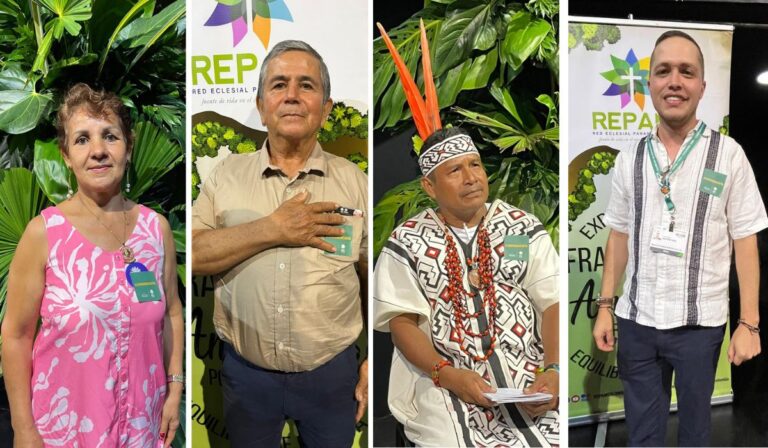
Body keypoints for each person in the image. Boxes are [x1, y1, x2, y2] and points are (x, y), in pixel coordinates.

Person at [373, 21, 559, 447]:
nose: (471, 177)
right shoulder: (408, 241)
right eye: (455, 170)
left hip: (528, 373)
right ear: (429, 186)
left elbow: (549, 301)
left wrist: (553, 371)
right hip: (443, 380)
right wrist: (449, 375)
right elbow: (401, 322)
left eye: (475, 165)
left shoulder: (520, 227)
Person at [191, 40, 368, 447]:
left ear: (325, 107)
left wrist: (372, 360)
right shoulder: (224, 176)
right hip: (246, 375)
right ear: (260, 104)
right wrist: (272, 229)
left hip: (332, 375)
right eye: (279, 85)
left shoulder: (355, 182)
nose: (291, 95)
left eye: (306, 85)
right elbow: (196, 255)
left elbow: (371, 278)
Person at [593, 30, 766, 446]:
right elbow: (617, 234)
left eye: (687, 72)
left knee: (695, 434)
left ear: (702, 86)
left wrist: (750, 323)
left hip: (699, 326)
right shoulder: (630, 158)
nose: (675, 81)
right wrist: (605, 306)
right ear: (649, 82)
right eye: (664, 71)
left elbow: (746, 241)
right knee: (642, 436)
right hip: (637, 321)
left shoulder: (729, 156)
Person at [1, 83, 184, 447]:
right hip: (64, 432)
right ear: (66, 155)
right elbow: (16, 336)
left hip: (141, 428)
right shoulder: (44, 234)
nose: (98, 151)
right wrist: (24, 430)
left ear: (128, 146)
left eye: (110, 136)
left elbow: (172, 314)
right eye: (82, 139)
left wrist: (174, 390)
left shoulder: (155, 229)